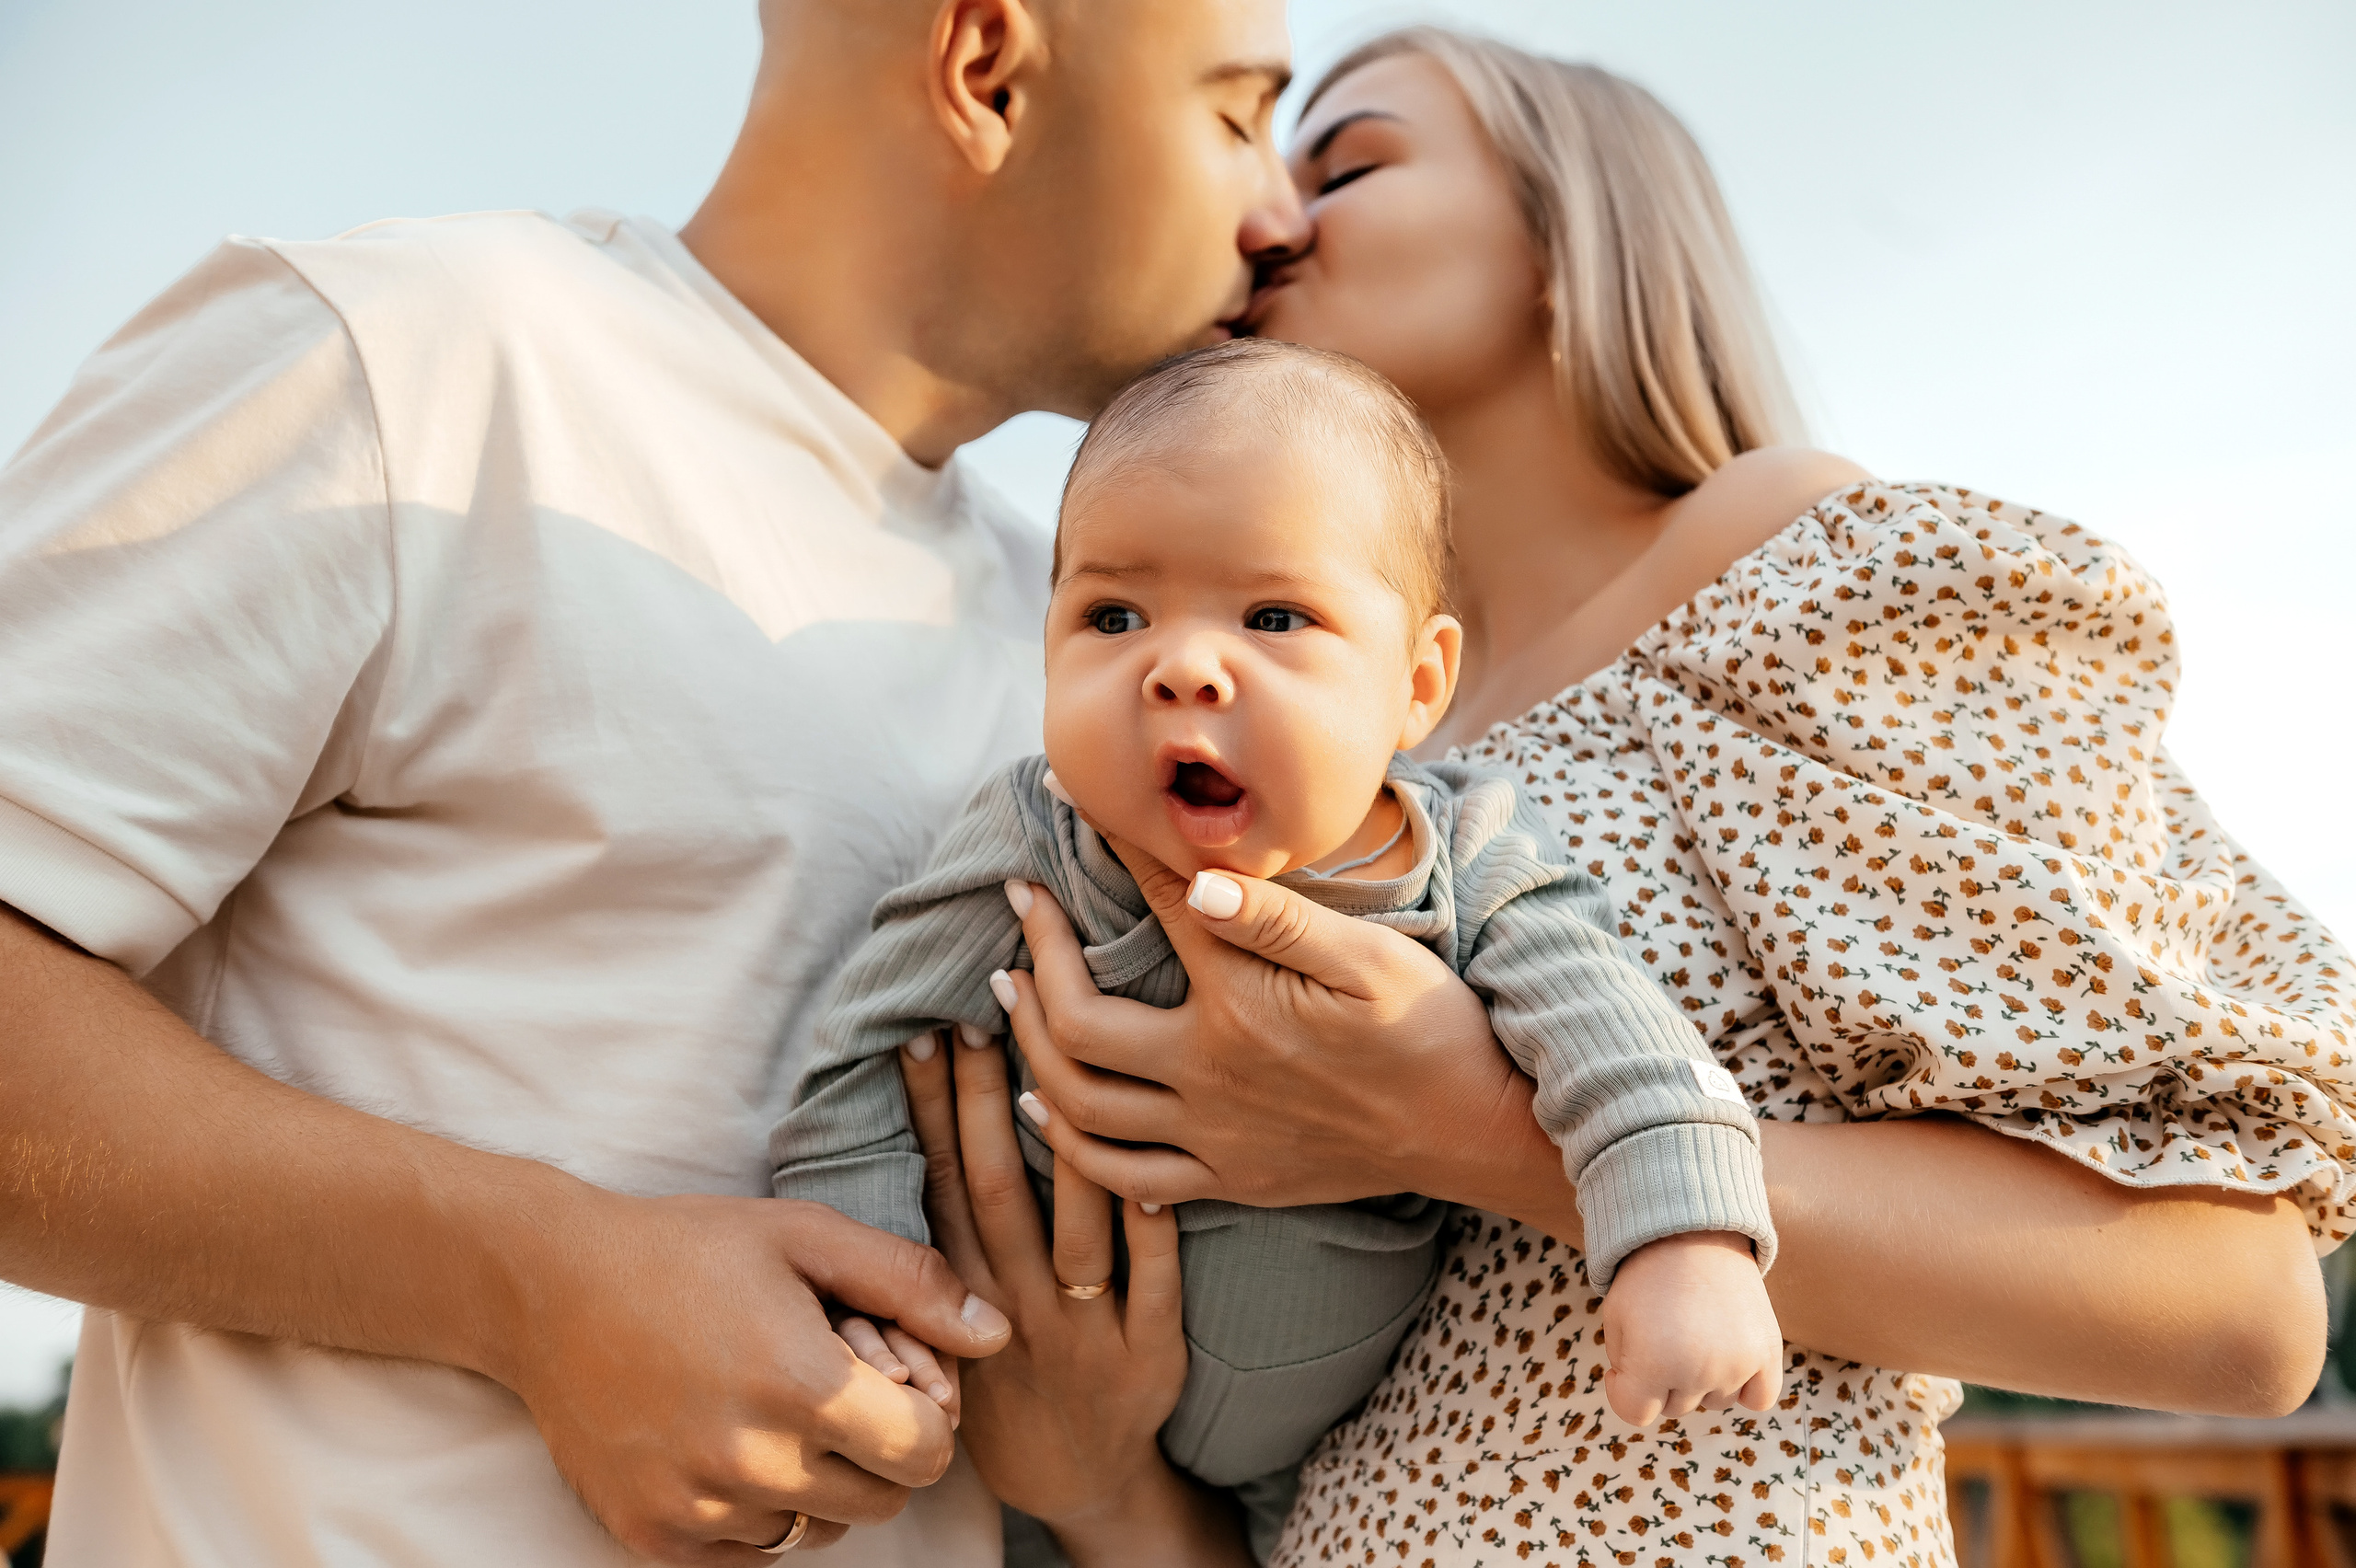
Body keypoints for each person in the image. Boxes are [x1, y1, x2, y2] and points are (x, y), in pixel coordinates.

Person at [910, 26, 2347, 1568]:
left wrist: (1465, 1127)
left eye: (1348, 162)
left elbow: (2241, 1305)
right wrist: (1098, 1480)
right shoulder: (1302, 772)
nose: (1267, 221)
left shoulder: (1798, 568)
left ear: (1565, 231)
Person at [0, 0, 1315, 1562]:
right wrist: (536, 1285)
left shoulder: (1105, 661)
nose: (1283, 211)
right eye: (1238, 114)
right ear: (988, 65)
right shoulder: (416, 362)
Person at [777, 339, 1784, 1554]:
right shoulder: (1037, 833)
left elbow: (1625, 1048)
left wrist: (1685, 1240)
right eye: (1112, 614)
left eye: (1273, 616)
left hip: (1319, 1470)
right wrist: (877, 1305)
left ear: (1416, 685)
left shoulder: (1466, 855)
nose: (1182, 666)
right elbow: (864, 1056)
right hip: (1031, 1402)